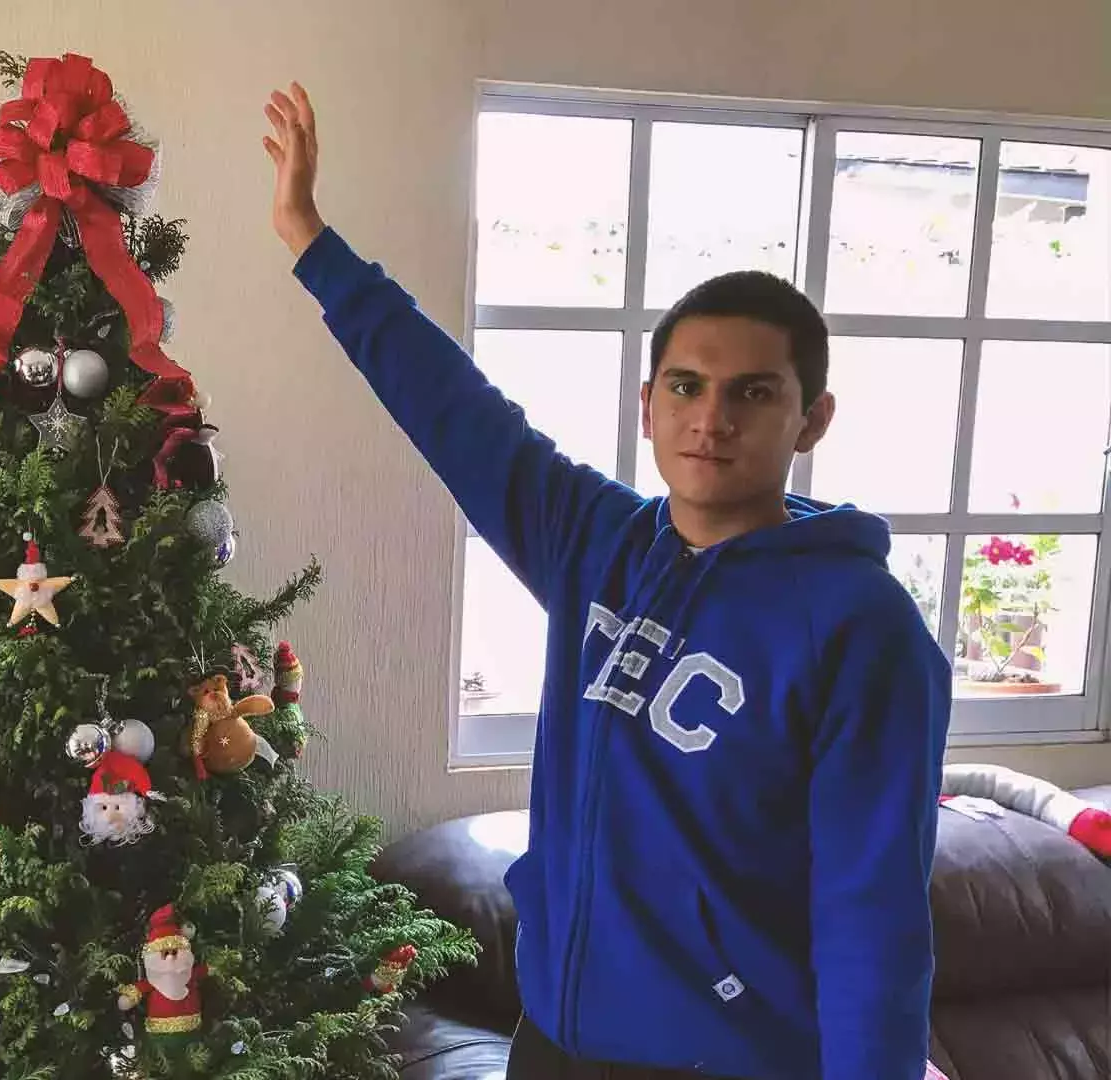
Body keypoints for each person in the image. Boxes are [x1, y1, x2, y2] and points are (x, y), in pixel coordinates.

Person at [262, 84, 951, 1080]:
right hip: (556, 1047)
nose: (712, 420)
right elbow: (456, 409)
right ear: (648, 403)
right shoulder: (596, 540)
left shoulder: (861, 628)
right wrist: (310, 240)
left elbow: (873, 912)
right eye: (687, 386)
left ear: (812, 419)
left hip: (733, 1062)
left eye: (753, 394)